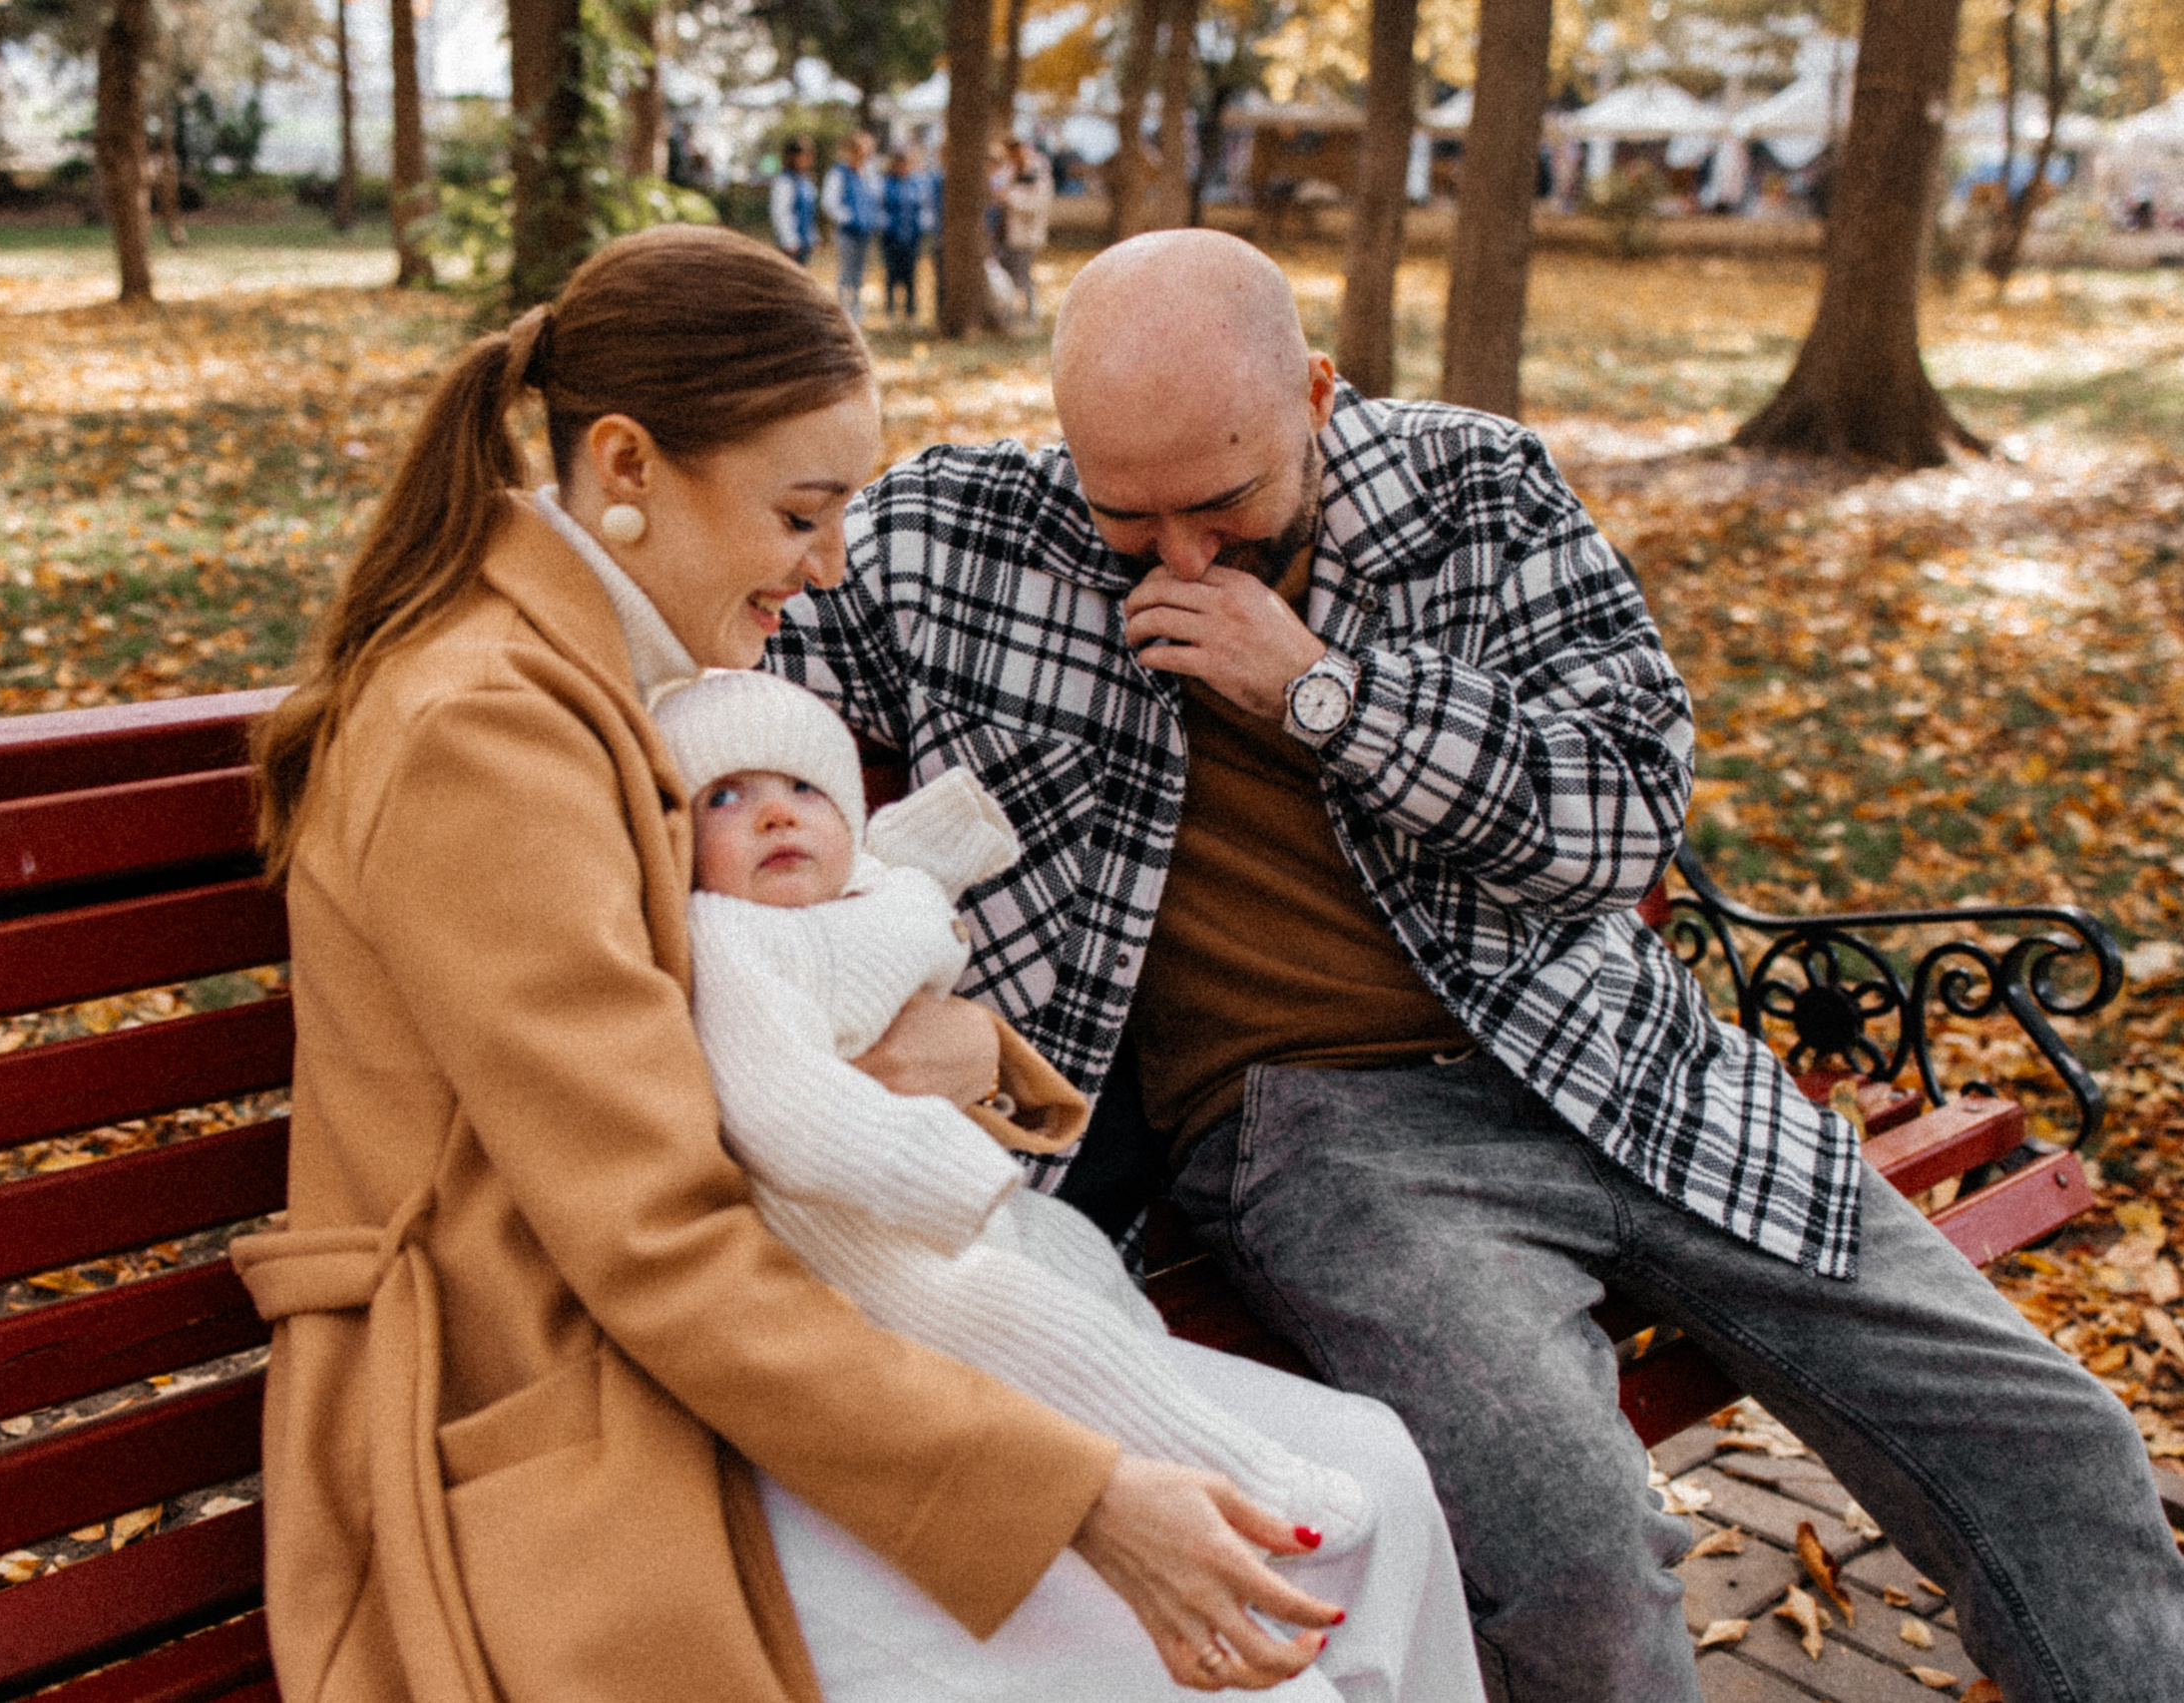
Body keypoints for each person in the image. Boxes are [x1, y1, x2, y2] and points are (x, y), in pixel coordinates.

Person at [768, 226, 2184, 1703]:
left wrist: (1323, 691)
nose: (1182, 555)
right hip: (1332, 1140)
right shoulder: (955, 538)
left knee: (2054, 1439)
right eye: (1129, 515)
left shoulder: (1476, 491)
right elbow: (710, 664)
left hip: (1622, 1056)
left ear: (1317, 396)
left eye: (1224, 501)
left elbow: (1621, 809)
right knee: (1571, 1549)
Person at [229, 223, 1441, 1703]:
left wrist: (976, 1051)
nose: (834, 562)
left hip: (750, 1342)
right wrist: (1083, 1497)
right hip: (566, 1412)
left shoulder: (624, 667)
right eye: (805, 509)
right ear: (623, 470)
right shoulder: (484, 730)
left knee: (1372, 1480)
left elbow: (779, 990)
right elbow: (654, 1238)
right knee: (1250, 1663)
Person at [655, 665, 1482, 1703]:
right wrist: (946, 1171)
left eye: (801, 790)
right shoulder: (730, 938)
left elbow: (909, 874)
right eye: (723, 797)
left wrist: (948, 884)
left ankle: (1221, 1463)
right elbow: (787, 1108)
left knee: (1361, 1454)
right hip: (875, 1267)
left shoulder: (856, 893)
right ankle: (1243, 1475)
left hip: (986, 1234)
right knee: (1054, 1337)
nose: (772, 810)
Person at [822, 132, 879, 321]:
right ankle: (842, 309)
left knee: (860, 271)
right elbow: (828, 202)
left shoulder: (869, 173)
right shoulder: (839, 173)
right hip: (847, 231)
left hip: (865, 230)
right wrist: (848, 217)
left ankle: (855, 307)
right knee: (846, 270)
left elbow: (875, 198)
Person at [998, 139, 1053, 326]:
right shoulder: (1010, 171)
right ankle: (1011, 314)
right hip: (1007, 235)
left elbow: (1037, 205)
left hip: (1026, 236)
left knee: (1022, 275)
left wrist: (1010, 198)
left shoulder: (1037, 173)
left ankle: (1029, 316)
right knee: (1008, 275)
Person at [878, 146, 933, 324]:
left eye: (906, 163)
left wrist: (923, 225)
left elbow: (924, 208)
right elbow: (879, 207)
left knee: (910, 276)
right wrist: (884, 223)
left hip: (911, 236)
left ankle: (910, 313)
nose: (903, 167)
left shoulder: (917, 183)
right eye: (899, 163)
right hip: (891, 236)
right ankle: (890, 312)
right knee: (891, 274)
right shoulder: (885, 183)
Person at [769, 136, 818, 268]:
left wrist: (812, 236)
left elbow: (809, 212)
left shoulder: (806, 180)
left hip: (804, 242)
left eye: (809, 155)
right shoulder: (784, 182)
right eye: (802, 155)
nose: (806, 159)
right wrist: (789, 240)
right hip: (790, 244)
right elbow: (780, 212)